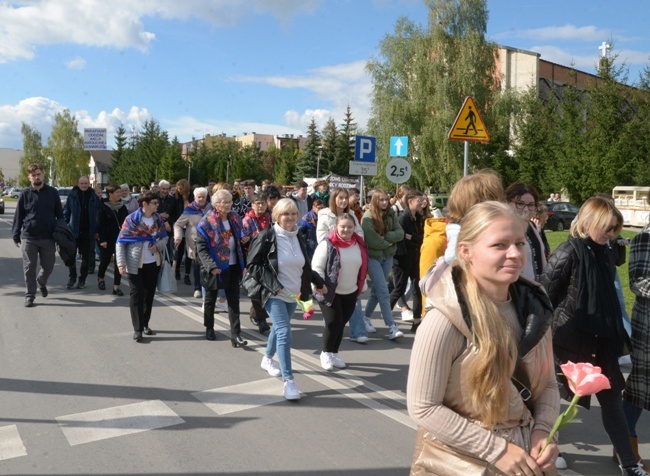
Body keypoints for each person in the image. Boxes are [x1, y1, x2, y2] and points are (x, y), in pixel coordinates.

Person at [408, 201, 560, 475]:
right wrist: (496, 449)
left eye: (519, 243)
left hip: (526, 464)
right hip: (459, 464)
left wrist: (543, 431)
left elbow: (547, 385)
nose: (514, 254)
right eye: (499, 245)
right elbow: (423, 407)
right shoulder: (443, 319)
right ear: (466, 251)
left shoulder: (534, 309)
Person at [540, 196, 648, 476]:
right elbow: (544, 297)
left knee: (612, 402)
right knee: (554, 401)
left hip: (603, 342)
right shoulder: (568, 252)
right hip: (568, 342)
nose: (611, 234)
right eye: (607, 228)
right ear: (588, 222)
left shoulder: (605, 253)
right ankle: (549, 450)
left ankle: (629, 463)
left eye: (615, 229)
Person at [245, 198, 327, 400]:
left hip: (294, 293)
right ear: (276, 216)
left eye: (293, 214)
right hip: (273, 293)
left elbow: (305, 265)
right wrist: (275, 286)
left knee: (278, 329)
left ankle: (266, 359)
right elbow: (253, 266)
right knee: (284, 332)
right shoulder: (266, 237)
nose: (290, 218)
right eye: (285, 214)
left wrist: (317, 281)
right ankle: (289, 382)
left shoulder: (298, 235)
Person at [312, 214, 368, 371]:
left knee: (341, 323)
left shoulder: (359, 244)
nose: (346, 230)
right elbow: (317, 267)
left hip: (350, 291)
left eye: (350, 227)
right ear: (336, 227)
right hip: (329, 291)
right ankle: (325, 353)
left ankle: (333, 353)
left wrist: (361, 285)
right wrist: (320, 286)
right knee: (333, 322)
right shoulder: (327, 244)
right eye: (343, 226)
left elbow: (362, 265)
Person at [195, 189, 250, 347]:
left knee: (234, 301)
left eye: (230, 202)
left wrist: (243, 240)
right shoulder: (206, 222)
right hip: (214, 267)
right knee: (210, 299)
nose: (228, 205)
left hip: (233, 265)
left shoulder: (234, 218)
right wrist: (211, 266)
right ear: (215, 204)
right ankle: (209, 327)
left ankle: (236, 334)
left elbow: (238, 238)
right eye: (224, 202)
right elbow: (202, 248)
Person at [315, 188, 368, 344]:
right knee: (332, 308)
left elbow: (360, 234)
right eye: (340, 198)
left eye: (346, 198)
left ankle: (357, 331)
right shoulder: (324, 214)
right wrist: (337, 239)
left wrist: (349, 241)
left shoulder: (351, 215)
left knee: (352, 299)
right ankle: (330, 335)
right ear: (334, 198)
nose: (344, 201)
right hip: (331, 259)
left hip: (350, 258)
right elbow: (321, 238)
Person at [116, 192, 168, 342]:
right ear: (144, 204)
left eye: (157, 203)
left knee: (149, 294)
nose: (157, 206)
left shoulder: (158, 219)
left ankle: (145, 323)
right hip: (135, 263)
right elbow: (121, 242)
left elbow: (164, 237)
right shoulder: (131, 219)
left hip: (153, 263)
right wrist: (121, 263)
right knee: (137, 294)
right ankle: (137, 329)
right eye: (154, 203)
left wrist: (158, 245)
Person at [621, 206, 650, 471]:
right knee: (639, 388)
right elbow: (638, 282)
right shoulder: (645, 237)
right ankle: (625, 445)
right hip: (648, 328)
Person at [12, 163, 64, 307]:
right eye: (33, 175)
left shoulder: (52, 192)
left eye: (38, 174)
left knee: (48, 266)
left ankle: (41, 281)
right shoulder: (25, 194)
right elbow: (18, 216)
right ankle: (30, 295)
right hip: (29, 236)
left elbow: (60, 215)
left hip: (48, 237)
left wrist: (61, 233)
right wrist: (16, 235)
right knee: (29, 268)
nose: (36, 177)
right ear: (29, 177)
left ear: (43, 175)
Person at [361, 189, 405, 340]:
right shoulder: (367, 218)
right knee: (383, 291)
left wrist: (386, 238)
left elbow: (400, 233)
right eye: (381, 200)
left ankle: (365, 317)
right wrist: (389, 241)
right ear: (375, 201)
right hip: (373, 257)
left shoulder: (391, 214)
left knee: (376, 291)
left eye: (386, 199)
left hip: (388, 256)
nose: (385, 202)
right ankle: (391, 326)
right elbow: (373, 241)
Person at [390, 189, 425, 324]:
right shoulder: (403, 218)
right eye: (419, 200)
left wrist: (413, 237)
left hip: (415, 258)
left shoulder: (419, 218)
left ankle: (417, 322)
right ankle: (387, 317)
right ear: (410, 201)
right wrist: (413, 238)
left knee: (417, 290)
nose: (422, 203)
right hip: (401, 259)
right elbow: (402, 238)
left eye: (422, 200)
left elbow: (421, 237)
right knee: (399, 289)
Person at [241, 191, 273, 334]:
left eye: (263, 203)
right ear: (252, 205)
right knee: (255, 289)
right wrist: (244, 240)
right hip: (252, 259)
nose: (260, 206)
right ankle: (261, 321)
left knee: (266, 289)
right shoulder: (247, 221)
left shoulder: (270, 219)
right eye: (258, 203)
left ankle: (256, 314)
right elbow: (240, 240)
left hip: (268, 259)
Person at [63, 175, 102, 290]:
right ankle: (72, 277)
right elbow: (66, 213)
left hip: (88, 233)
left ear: (88, 184)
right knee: (71, 257)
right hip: (73, 232)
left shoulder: (94, 197)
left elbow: (98, 216)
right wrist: (66, 228)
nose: (84, 185)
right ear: (78, 184)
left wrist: (97, 231)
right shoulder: (72, 196)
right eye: (82, 183)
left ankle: (82, 279)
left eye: (86, 183)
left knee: (86, 258)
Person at [174, 187, 210, 299]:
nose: (201, 199)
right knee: (197, 265)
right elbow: (178, 224)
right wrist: (178, 236)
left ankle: (209, 288)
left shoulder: (211, 208)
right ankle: (197, 288)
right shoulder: (190, 210)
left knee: (209, 265)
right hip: (195, 241)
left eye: (203, 196)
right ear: (195, 197)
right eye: (199, 197)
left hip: (210, 241)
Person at [506, 182, 546, 282]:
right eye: (520, 204)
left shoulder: (532, 227)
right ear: (508, 203)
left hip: (535, 288)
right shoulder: (507, 228)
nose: (526, 209)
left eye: (531, 205)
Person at [96, 184, 128, 296]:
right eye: (117, 192)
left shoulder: (122, 207)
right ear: (110, 194)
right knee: (105, 261)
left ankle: (116, 287)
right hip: (107, 239)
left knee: (119, 263)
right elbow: (100, 224)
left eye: (120, 192)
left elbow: (127, 222)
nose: (120, 194)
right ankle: (101, 278)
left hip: (120, 239)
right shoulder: (103, 206)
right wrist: (102, 240)